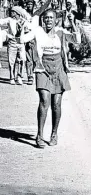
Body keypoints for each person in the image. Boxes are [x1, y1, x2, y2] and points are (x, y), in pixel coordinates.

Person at [20, 9, 81, 148]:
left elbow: (77, 40)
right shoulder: (37, 31)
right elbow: (23, 39)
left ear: (55, 20)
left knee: (56, 104)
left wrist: (72, 22)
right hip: (43, 68)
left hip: (58, 68)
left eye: (51, 18)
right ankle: (40, 135)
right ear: (43, 20)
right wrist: (23, 27)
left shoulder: (60, 32)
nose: (48, 20)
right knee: (44, 100)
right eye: (46, 18)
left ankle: (54, 133)